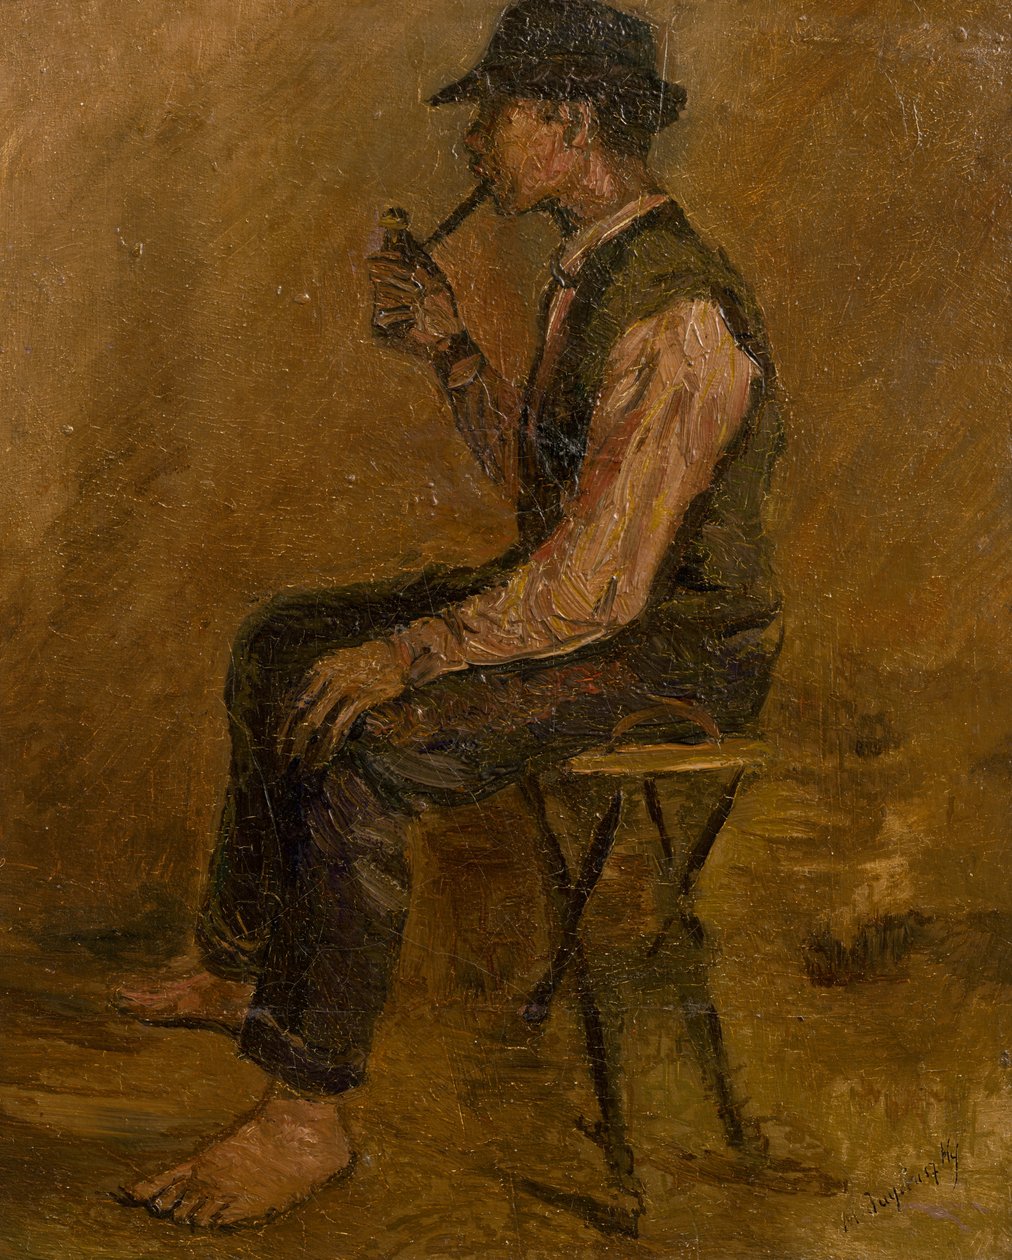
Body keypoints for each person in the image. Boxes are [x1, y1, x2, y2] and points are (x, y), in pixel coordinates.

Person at [114, 0, 784, 1230]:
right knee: (281, 643)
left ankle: (305, 1117)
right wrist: (451, 351)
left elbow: (597, 587)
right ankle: (244, 963)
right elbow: (546, 498)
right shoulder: (591, 269)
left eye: (494, 114)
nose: (475, 143)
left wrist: (413, 650)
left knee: (368, 745)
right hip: (590, 609)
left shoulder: (679, 312)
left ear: (569, 122)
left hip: (670, 653)